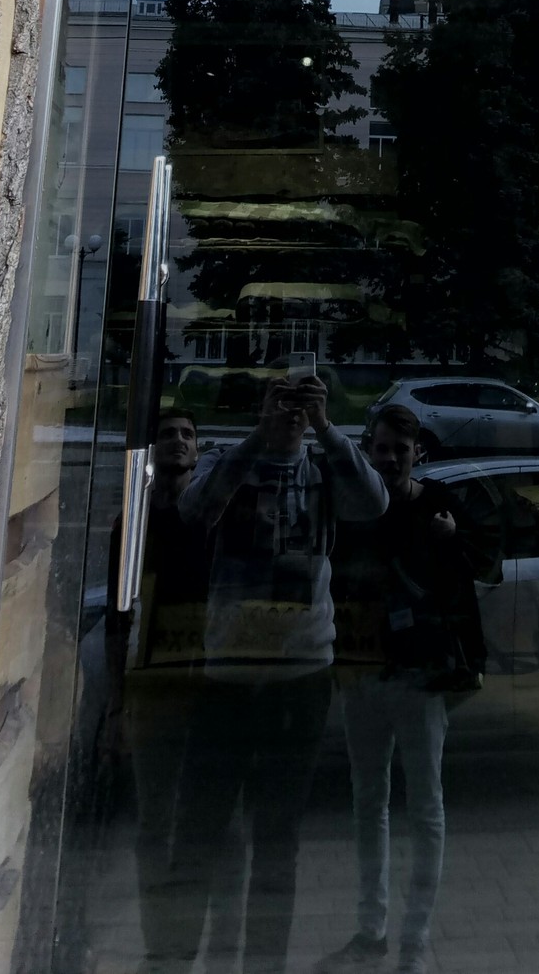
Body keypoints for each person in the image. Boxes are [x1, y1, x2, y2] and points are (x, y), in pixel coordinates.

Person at [175, 373, 388, 974]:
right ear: (262, 408)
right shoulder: (230, 460)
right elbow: (193, 510)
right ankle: (176, 956)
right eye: (282, 401)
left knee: (278, 837)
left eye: (302, 401)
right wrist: (257, 437)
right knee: (201, 826)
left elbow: (375, 502)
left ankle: (263, 963)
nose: (291, 412)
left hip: (301, 670)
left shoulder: (325, 468)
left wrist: (328, 428)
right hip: (232, 669)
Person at [320, 404, 487, 974]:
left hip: (421, 678)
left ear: (418, 453)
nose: (390, 458)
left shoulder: (438, 505)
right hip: (364, 674)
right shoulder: (355, 508)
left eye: (400, 449)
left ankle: (413, 939)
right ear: (368, 450)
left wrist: (451, 538)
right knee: (369, 805)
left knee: (425, 808)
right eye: (381, 448)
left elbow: (486, 567)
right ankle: (373, 930)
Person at [104, 409, 243, 974]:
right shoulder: (132, 525)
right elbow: (119, 616)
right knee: (155, 823)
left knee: (221, 826)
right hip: (156, 685)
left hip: (211, 684)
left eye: (188, 435)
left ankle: (224, 949)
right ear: (152, 451)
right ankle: (161, 947)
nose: (179, 443)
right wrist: (118, 703)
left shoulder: (215, 517)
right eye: (168, 434)